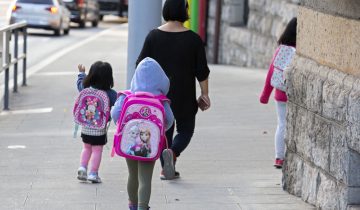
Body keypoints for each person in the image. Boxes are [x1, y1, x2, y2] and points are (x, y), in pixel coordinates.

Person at [136, 0, 211, 180]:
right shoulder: (194, 39)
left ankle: (165, 167)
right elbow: (202, 71)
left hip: (159, 96)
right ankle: (173, 153)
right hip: (185, 94)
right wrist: (205, 94)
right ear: (184, 11)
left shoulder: (153, 36)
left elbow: (140, 64)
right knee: (186, 130)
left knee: (164, 131)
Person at [111, 57, 174, 210]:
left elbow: (115, 114)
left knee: (132, 175)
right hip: (150, 146)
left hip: (129, 144)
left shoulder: (126, 96)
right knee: (145, 179)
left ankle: (132, 205)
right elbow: (170, 120)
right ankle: (142, 207)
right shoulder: (161, 101)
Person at [260, 17, 297, 169]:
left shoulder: (281, 50)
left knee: (281, 124)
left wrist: (265, 95)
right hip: (295, 95)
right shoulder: (301, 52)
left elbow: (271, 73)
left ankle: (279, 158)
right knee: (293, 125)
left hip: (280, 94)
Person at [76, 61, 117, 183]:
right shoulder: (111, 94)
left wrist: (81, 74)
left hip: (86, 127)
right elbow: (118, 104)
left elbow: (80, 85)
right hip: (100, 129)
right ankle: (93, 174)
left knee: (86, 148)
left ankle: (82, 167)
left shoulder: (86, 89)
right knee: (97, 150)